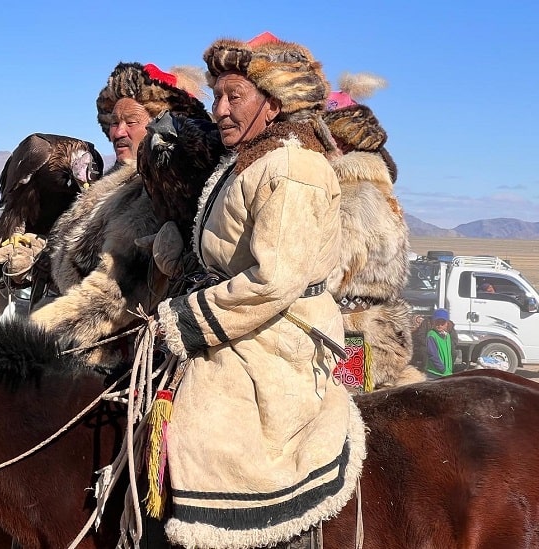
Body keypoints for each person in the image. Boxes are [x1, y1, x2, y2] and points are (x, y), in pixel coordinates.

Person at [154, 33, 365, 548]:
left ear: (272, 104)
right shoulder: (253, 159)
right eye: (216, 96)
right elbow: (228, 250)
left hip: (276, 340)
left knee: (207, 434)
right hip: (246, 322)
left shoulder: (293, 168)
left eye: (235, 96)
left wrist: (185, 318)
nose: (220, 109)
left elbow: (276, 279)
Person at [30, 62, 211, 365]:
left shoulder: (158, 191)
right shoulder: (115, 182)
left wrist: (35, 331)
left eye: (131, 122)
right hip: (79, 347)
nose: (118, 132)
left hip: (115, 359)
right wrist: (33, 262)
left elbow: (119, 293)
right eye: (114, 122)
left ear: (160, 123)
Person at [322, 72, 425, 389]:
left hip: (350, 331)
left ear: (339, 143)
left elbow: (334, 272)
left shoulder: (353, 191)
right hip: (368, 324)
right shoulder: (375, 186)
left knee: (336, 421)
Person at [426, 308, 454, 378]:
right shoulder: (432, 335)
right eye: (437, 322)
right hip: (435, 373)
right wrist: (442, 369)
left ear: (447, 323)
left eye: (442, 322)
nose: (440, 325)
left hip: (447, 372)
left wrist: (449, 369)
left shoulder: (447, 335)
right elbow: (433, 355)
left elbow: (449, 353)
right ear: (433, 322)